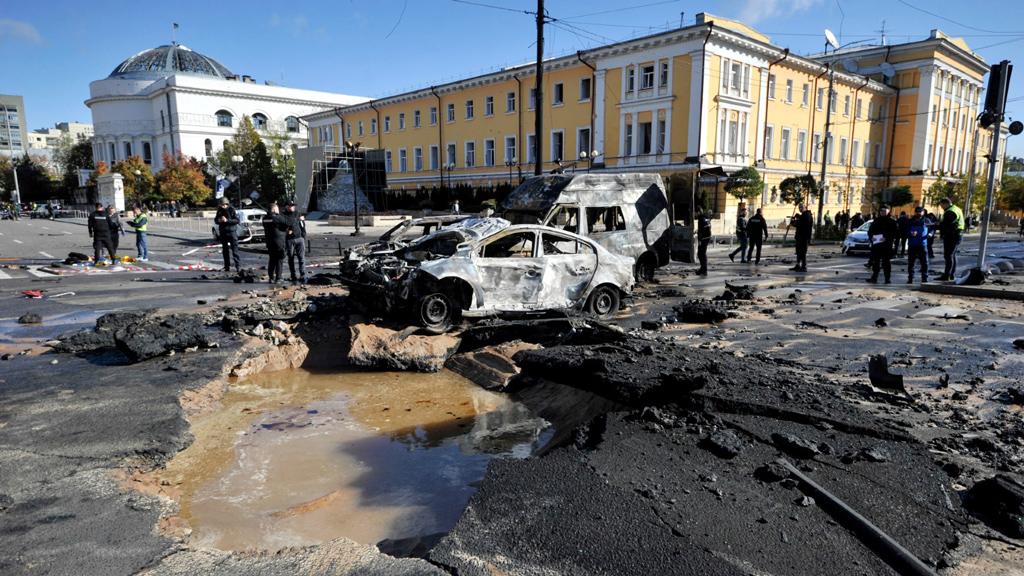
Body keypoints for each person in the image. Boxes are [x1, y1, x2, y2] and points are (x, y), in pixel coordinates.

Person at [867, 205, 898, 284]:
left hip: (886, 246)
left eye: (884, 211)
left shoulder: (892, 222)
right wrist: (872, 238)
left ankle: (887, 279)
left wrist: (887, 238)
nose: (882, 212)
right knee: (875, 262)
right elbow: (870, 231)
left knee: (886, 263)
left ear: (888, 211)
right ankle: (874, 278)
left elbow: (895, 233)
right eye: (881, 211)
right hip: (876, 245)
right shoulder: (876, 221)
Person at [261, 202, 290, 284]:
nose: (278, 210)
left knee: (272, 260)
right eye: (277, 208)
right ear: (273, 209)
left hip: (269, 242)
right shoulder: (277, 218)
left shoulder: (265, 218)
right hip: (279, 242)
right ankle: (278, 278)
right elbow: (287, 222)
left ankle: (271, 277)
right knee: (279, 260)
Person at [937, 197, 964, 281]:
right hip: (957, 235)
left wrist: (936, 226)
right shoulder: (956, 209)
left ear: (946, 204)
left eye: (942, 205)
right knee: (952, 255)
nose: (941, 207)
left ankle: (947, 275)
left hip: (952, 236)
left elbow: (947, 225)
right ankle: (951, 275)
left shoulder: (950, 211)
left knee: (948, 256)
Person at [215, 197, 242, 272]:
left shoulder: (231, 209)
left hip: (231, 232)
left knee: (235, 250)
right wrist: (219, 220)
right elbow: (216, 220)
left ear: (226, 204)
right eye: (221, 205)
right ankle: (227, 266)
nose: (222, 206)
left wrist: (227, 220)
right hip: (223, 232)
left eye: (223, 204)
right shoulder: (219, 210)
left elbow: (237, 220)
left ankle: (238, 266)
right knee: (225, 251)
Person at [284, 201, 308, 284]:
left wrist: (303, 237)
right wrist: (286, 231)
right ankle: (293, 275)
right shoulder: (283, 215)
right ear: (286, 206)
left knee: (301, 258)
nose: (293, 207)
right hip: (289, 240)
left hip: (299, 239)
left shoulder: (297, 213)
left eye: (293, 206)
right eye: (291, 206)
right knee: (290, 258)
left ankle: (302, 275)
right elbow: (283, 225)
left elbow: (302, 225)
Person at [906, 206, 930, 283]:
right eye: (917, 212)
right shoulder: (910, 221)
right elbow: (905, 231)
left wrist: (930, 234)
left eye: (920, 211)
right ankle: (910, 278)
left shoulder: (926, 220)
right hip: (912, 244)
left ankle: (924, 278)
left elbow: (932, 228)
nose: (919, 213)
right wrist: (910, 233)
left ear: (923, 212)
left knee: (924, 262)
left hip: (922, 244)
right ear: (915, 212)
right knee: (911, 262)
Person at [791, 203, 813, 272]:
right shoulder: (803, 215)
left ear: (805, 207)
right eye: (799, 207)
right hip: (799, 236)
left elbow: (803, 224)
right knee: (798, 252)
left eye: (801, 207)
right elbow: (797, 224)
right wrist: (793, 221)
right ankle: (798, 265)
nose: (800, 209)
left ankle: (804, 267)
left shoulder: (807, 215)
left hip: (804, 237)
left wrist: (798, 219)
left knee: (803, 252)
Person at [695, 209, 712, 275]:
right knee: (702, 253)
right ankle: (702, 269)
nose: (695, 214)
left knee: (701, 254)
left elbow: (701, 230)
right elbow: (706, 227)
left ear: (698, 212)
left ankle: (704, 270)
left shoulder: (701, 219)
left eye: (695, 213)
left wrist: (699, 240)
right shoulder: (706, 217)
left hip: (704, 238)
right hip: (708, 236)